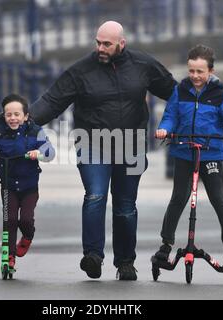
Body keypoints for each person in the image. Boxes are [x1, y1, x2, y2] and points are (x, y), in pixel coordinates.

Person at [29, 21, 177, 280]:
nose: (100, 48)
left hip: (130, 145)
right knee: (96, 196)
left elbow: (175, 93)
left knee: (125, 206)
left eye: (106, 44)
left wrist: (192, 114)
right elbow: (52, 101)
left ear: (122, 43)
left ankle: (125, 263)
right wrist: (22, 123)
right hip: (92, 143)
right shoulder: (81, 70)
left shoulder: (143, 65)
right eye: (97, 42)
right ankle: (93, 256)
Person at [152, 44, 223, 265]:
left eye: (200, 71)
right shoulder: (180, 91)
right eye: (191, 70)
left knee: (219, 199)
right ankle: (166, 245)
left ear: (210, 71)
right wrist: (164, 128)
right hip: (184, 151)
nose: (194, 76)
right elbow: (170, 115)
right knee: (178, 198)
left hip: (210, 154)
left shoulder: (220, 95)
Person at [0, 94, 55, 271]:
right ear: (4, 115)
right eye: (8, 114)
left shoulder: (36, 131)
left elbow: (50, 152)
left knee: (25, 219)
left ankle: (27, 236)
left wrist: (39, 153)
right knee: (9, 220)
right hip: (8, 185)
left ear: (25, 116)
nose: (12, 118)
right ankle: (9, 257)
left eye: (17, 114)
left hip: (29, 186)